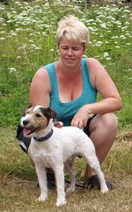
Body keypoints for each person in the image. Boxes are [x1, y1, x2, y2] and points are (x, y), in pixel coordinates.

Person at [21, 15, 122, 189]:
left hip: (81, 132)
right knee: (37, 140)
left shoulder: (92, 67)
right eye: (65, 47)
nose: (69, 53)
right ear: (58, 48)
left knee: (109, 120)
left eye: (75, 48)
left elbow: (116, 101)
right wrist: (56, 125)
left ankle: (91, 175)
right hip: (51, 131)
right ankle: (50, 174)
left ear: (84, 48)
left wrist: (87, 108)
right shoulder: (43, 75)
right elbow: (39, 119)